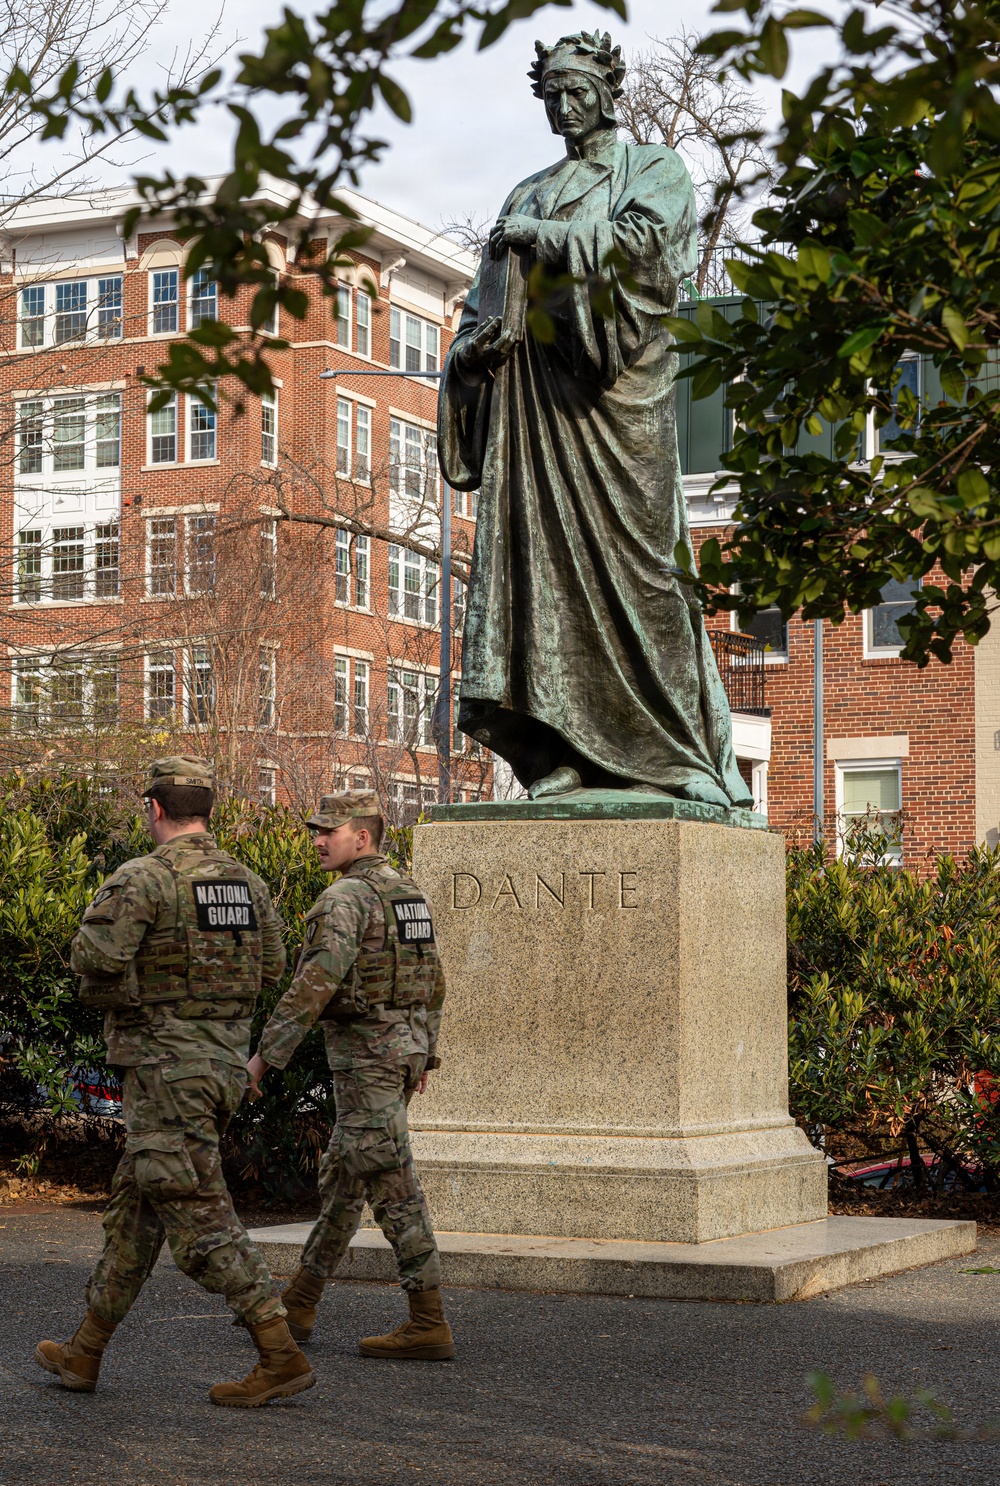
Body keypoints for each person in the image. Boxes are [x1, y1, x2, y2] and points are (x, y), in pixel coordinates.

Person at [437, 29, 751, 810]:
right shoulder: (526, 191)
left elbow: (647, 253)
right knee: (537, 578)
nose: (564, 109)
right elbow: (483, 305)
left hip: (617, 408)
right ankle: (559, 748)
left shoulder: (654, 169)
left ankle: (678, 756)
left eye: (577, 92)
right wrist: (471, 354)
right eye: (551, 97)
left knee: (646, 579)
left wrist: (544, 240)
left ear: (609, 91)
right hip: (533, 418)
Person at [35, 756, 315, 1408]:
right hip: (219, 1072)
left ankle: (280, 1352)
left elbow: (94, 957)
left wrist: (124, 989)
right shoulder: (247, 883)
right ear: (206, 812)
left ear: (155, 809)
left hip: (165, 1073)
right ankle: (85, 1350)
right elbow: (273, 964)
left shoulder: (144, 877)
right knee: (136, 1212)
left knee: (197, 1219)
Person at [246, 790, 453, 1360]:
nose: (317, 840)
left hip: (367, 1059)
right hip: (399, 1056)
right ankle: (302, 1301)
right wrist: (423, 1054)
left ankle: (428, 1320)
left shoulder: (345, 899)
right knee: (345, 1176)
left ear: (361, 838)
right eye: (316, 830)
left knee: (393, 1186)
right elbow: (433, 981)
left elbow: (313, 985)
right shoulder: (408, 893)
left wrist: (264, 1057)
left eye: (327, 832)